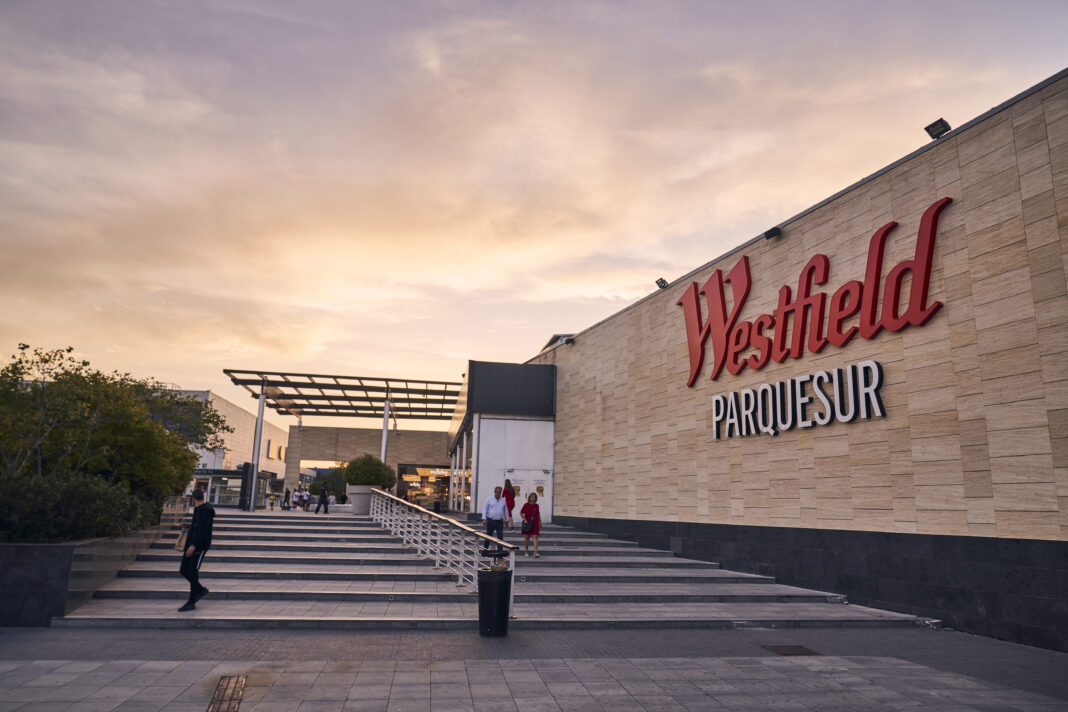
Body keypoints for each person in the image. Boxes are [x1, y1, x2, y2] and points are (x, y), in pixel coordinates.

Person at [179, 487, 215, 611]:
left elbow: (203, 530)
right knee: (184, 570)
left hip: (199, 545)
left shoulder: (205, 510)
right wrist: (188, 525)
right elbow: (197, 526)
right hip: (191, 544)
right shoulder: (198, 509)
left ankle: (192, 601)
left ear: (193, 498)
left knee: (193, 571)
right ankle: (200, 590)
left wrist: (194, 545)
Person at [520, 492, 542, 557]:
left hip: (535, 522)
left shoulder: (537, 506)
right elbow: (521, 513)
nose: (533, 498)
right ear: (529, 498)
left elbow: (538, 514)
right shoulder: (526, 505)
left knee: (535, 537)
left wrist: (540, 522)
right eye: (532, 497)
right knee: (527, 538)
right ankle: (526, 551)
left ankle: (536, 552)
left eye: (534, 497)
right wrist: (524, 519)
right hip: (528, 523)